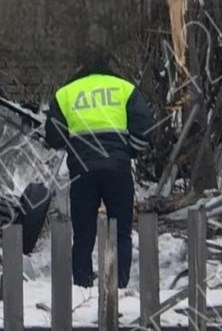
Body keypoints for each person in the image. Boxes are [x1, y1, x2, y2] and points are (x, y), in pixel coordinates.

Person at [46, 50, 154, 288]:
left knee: (83, 232)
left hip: (82, 170)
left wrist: (75, 148)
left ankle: (83, 285)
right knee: (121, 230)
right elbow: (145, 127)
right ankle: (120, 284)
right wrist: (129, 151)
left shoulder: (66, 93)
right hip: (117, 168)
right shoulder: (124, 88)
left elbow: (53, 137)